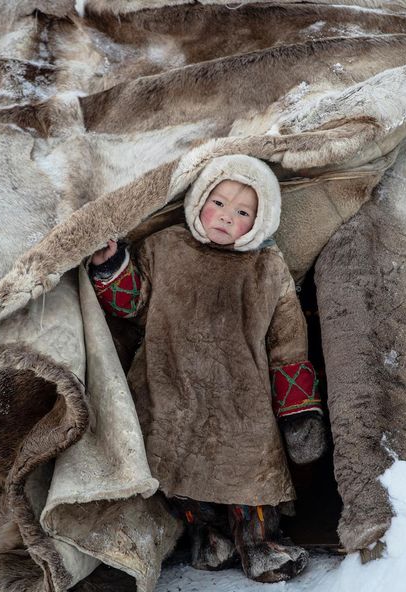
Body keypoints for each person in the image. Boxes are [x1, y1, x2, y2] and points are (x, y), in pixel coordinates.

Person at [88, 155, 327, 583]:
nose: (225, 216)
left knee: (249, 476)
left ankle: (260, 544)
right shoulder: (165, 248)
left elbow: (288, 344)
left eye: (242, 212)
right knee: (176, 473)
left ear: (260, 221)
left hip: (242, 401)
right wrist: (112, 265)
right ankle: (209, 536)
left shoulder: (266, 270)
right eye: (217, 202)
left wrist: (299, 413)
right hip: (169, 387)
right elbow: (132, 304)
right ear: (198, 199)